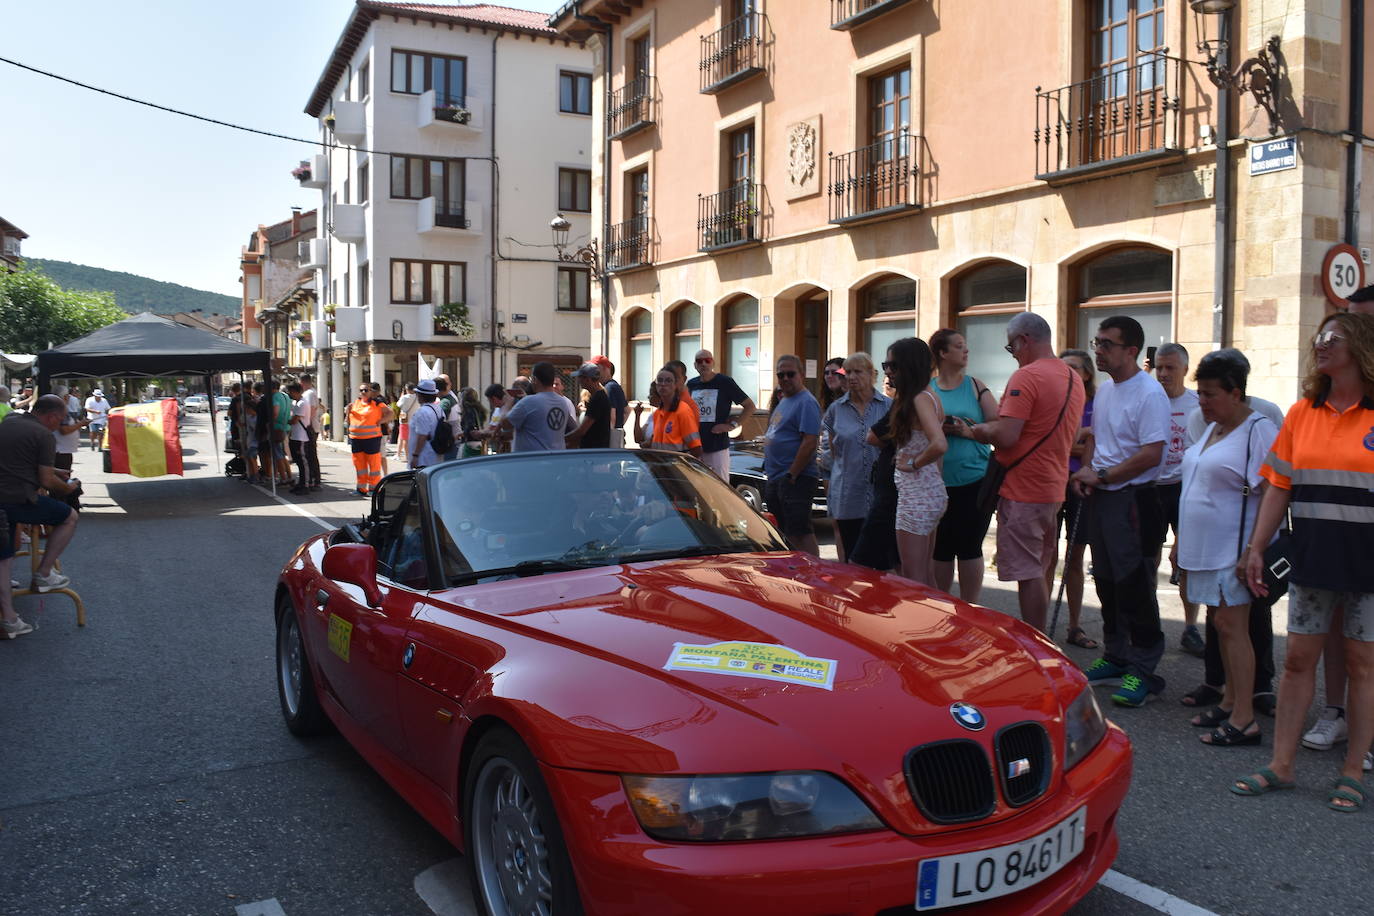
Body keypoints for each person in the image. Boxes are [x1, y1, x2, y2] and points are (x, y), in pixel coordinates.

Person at [1232, 312, 1374, 807]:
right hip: (1312, 555)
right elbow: (1278, 488)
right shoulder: (1302, 413)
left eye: (1331, 337)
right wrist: (1256, 548)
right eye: (1318, 336)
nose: (1321, 344)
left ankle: (1353, 770)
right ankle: (1281, 765)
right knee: (1296, 660)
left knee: (1362, 664)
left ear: (1358, 347)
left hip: (1368, 562)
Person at [1175, 349, 1278, 746]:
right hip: (1206, 547)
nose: (1201, 401)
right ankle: (1231, 701)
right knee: (1221, 626)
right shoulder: (1211, 426)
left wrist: (1253, 548)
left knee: (1234, 629)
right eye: (1200, 393)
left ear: (1236, 393)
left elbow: (1273, 493)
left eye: (1210, 394)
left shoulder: (1258, 429)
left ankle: (1245, 718)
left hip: (1232, 550)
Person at [1288, 291, 1374, 762]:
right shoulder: (1310, 407)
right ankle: (1338, 712)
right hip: (1332, 545)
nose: (1332, 339)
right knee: (1339, 633)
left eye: (1359, 325)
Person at [953, 314, 1082, 626]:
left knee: (1028, 573)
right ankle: (1041, 640)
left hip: (1024, 488)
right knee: (1039, 565)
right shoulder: (1073, 377)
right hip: (1053, 486)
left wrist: (978, 431)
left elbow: (1007, 435)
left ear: (1024, 340)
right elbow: (1072, 434)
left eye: (1012, 347)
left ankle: (1036, 643)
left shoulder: (1027, 376)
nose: (1013, 354)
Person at [1071, 316, 1170, 708]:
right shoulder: (1108, 390)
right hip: (1104, 495)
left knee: (1134, 582)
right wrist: (1086, 470)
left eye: (1107, 344)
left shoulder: (1150, 394)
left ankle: (1143, 668)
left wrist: (1104, 475)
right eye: (1097, 342)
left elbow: (1152, 453)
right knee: (1107, 580)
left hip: (1134, 497)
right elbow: (1097, 437)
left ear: (1131, 350)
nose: (1099, 350)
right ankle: (1116, 656)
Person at [0, 395, 83, 638]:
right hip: (17, 499)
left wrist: (54, 469)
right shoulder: (44, 435)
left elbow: (15, 459)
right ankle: (44, 573)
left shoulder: (10, 421)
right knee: (69, 516)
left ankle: (9, 619)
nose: (60, 425)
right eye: (60, 420)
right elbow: (46, 481)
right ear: (53, 417)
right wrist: (69, 487)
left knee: (4, 559)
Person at [928, 329, 998, 603]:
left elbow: (998, 425)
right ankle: (942, 605)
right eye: (959, 346)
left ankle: (972, 607)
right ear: (943, 353)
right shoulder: (928, 389)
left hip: (974, 480)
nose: (966, 351)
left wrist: (968, 431)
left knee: (969, 547)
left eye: (965, 346)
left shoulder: (976, 386)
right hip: (936, 480)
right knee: (941, 549)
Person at [1153, 343, 1204, 655]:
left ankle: (1190, 627)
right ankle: (1149, 623)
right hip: (1152, 486)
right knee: (1150, 559)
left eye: (1170, 368)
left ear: (1185, 370)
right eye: (1159, 367)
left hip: (1186, 486)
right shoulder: (1149, 399)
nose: (1163, 374)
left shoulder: (1198, 404)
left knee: (1187, 561)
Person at [1047, 350, 1099, 649]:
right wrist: (1078, 441)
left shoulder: (1097, 404)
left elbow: (1097, 444)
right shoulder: (1054, 402)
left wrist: (1073, 444)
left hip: (1081, 485)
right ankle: (1039, 626)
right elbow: (1056, 445)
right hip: (1052, 481)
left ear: (1087, 374)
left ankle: (1075, 625)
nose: (1067, 374)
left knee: (1075, 560)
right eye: (1063, 368)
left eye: (1074, 368)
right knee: (1047, 556)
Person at [886, 338, 947, 583]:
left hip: (917, 497)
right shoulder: (929, 395)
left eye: (892, 366)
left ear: (908, 366)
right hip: (929, 493)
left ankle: (919, 621)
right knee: (925, 575)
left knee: (913, 578)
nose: (888, 371)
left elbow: (940, 444)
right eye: (886, 365)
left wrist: (913, 463)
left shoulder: (920, 398)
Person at [821, 352, 890, 563]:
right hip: (848, 492)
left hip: (880, 493)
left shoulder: (888, 406)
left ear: (872, 374)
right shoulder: (836, 410)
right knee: (853, 556)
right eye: (847, 372)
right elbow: (834, 451)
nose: (851, 377)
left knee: (881, 558)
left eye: (857, 371)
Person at [762, 355, 821, 557]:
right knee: (784, 532)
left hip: (796, 478)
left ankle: (812, 573)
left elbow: (810, 441)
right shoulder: (785, 400)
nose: (785, 378)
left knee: (800, 531)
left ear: (801, 375)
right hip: (778, 477)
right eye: (781, 374)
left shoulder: (806, 402)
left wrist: (792, 475)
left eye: (790, 374)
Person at [849, 370, 901, 572]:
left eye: (892, 366)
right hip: (879, 486)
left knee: (860, 562)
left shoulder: (907, 401)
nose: (889, 373)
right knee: (896, 561)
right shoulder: (913, 398)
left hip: (892, 492)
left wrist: (911, 459)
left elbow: (872, 436)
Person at [687, 348, 757, 479]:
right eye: (699, 361)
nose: (704, 364)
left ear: (712, 363)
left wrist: (732, 425)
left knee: (720, 487)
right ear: (695, 365)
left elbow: (750, 406)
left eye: (707, 360)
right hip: (694, 446)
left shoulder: (724, 382)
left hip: (717, 447)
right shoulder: (691, 384)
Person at [498, 362, 577, 452]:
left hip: (531, 460)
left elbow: (505, 425)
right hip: (555, 458)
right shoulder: (563, 402)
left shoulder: (528, 401)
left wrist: (507, 405)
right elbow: (573, 428)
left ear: (535, 379)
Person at [347, 381, 392, 496]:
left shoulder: (377, 404)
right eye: (361, 390)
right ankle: (361, 489)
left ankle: (373, 489)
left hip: (372, 439)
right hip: (356, 439)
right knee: (359, 465)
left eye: (366, 390)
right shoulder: (354, 404)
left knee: (374, 465)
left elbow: (391, 414)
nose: (363, 392)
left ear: (371, 392)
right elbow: (348, 420)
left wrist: (380, 421)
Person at [50, 385, 89, 511]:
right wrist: (81, 424)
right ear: (66, 397)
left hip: (62, 449)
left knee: (63, 476)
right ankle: (60, 505)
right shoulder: (61, 410)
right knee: (62, 478)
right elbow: (64, 430)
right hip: (61, 451)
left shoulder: (59, 409)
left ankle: (61, 503)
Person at [567, 363, 612, 448]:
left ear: (588, 379)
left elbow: (582, 430)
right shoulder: (599, 396)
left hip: (593, 452)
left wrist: (561, 440)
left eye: (580, 377)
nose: (578, 380)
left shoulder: (597, 399)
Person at [407, 379, 444, 470]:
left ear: (421, 396)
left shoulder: (422, 412)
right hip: (435, 455)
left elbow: (422, 435)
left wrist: (415, 456)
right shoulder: (438, 409)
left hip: (423, 459)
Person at [593, 355, 629, 447]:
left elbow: (611, 416)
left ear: (605, 369)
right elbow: (627, 410)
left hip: (608, 441)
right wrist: (619, 426)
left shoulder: (609, 388)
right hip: (615, 437)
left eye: (596, 368)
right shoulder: (614, 385)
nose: (593, 372)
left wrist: (610, 434)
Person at [286, 382, 312, 495]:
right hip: (295, 436)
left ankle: (305, 485)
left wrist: (286, 420)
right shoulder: (296, 403)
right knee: (298, 461)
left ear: (297, 392)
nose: (290, 394)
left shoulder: (302, 403)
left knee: (302, 462)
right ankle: (301, 483)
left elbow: (294, 420)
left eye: (291, 392)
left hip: (301, 437)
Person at [298, 374, 322, 490]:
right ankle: (313, 478)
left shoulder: (310, 393)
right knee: (309, 454)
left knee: (310, 454)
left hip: (310, 426)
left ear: (302, 382)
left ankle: (314, 479)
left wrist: (307, 424)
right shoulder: (309, 393)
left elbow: (312, 410)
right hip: (309, 426)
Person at [454, 387, 488, 457]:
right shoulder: (479, 410)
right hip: (479, 444)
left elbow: (470, 428)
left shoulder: (468, 411)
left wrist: (458, 435)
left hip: (469, 444)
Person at [396, 382, 417, 461]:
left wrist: (401, 396)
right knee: (413, 439)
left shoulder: (404, 397)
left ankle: (408, 457)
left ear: (406, 389)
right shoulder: (417, 397)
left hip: (404, 421)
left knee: (405, 439)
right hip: (414, 421)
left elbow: (398, 405)